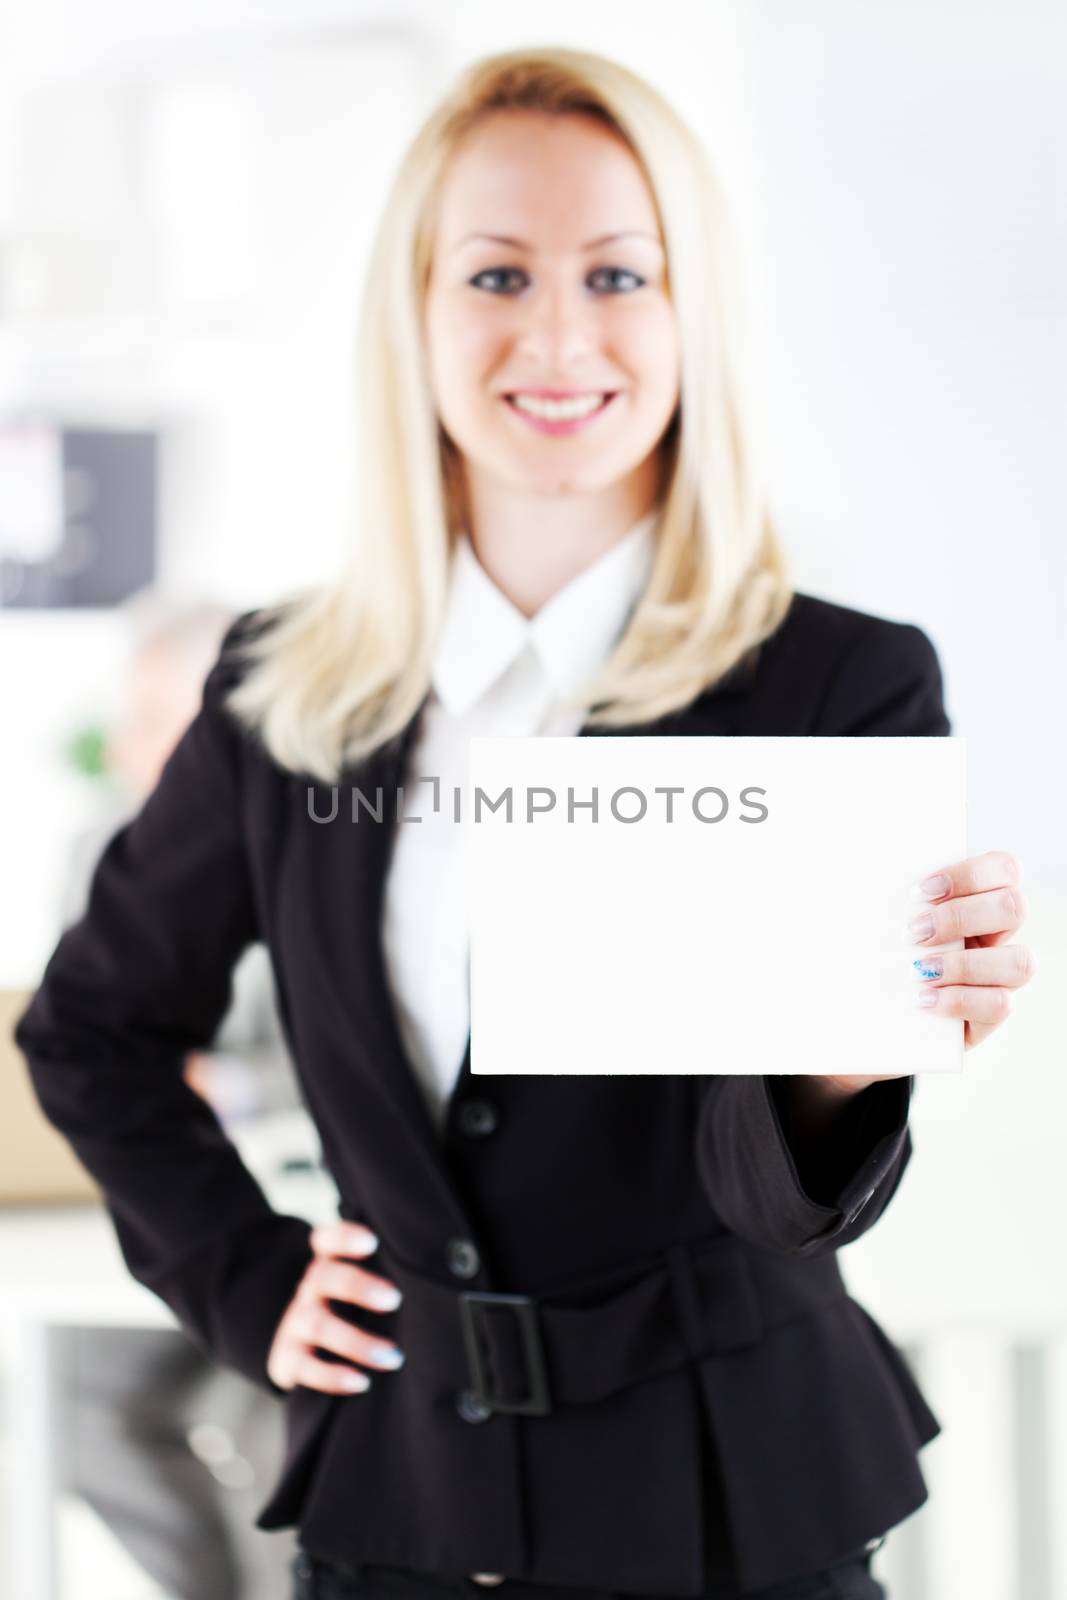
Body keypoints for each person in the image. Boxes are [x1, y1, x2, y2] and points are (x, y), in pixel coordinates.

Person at [13, 45, 1035, 1600]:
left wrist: (855, 1040)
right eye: (495, 274)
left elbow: (773, 1198)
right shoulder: (291, 696)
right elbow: (93, 1028)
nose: (557, 334)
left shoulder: (835, 681)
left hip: (728, 1508)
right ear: (414, 316)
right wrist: (242, 1278)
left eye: (618, 273)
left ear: (690, 314)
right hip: (401, 1508)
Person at [50, 595, 312, 1600]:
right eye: (133, 714)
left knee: (282, 1410)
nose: (130, 745)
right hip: (162, 1215)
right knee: (72, 1397)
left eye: (158, 716)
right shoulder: (101, 849)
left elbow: (358, 1058)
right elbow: (83, 1041)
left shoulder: (319, 835)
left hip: (308, 1216)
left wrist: (229, 1087)